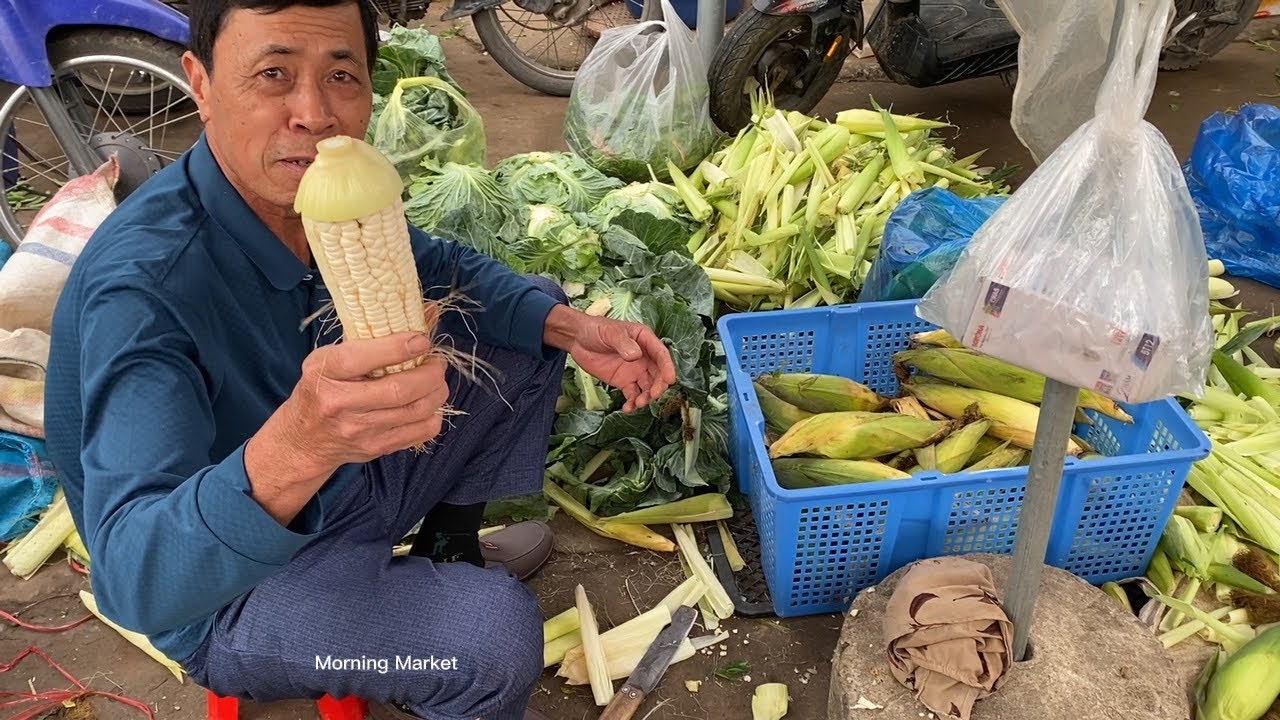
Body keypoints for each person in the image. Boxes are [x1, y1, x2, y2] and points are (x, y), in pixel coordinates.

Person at [42, 1, 677, 719]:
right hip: (226, 595)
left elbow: (435, 265)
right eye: (273, 73)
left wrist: (571, 326)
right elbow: (137, 583)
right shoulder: (144, 293)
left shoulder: (315, 202)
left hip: (345, 483)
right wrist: (297, 446)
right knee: (489, 639)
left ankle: (445, 553)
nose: (313, 114)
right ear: (202, 82)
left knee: (527, 313)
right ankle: (443, 658)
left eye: (341, 75)